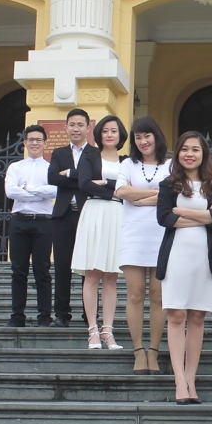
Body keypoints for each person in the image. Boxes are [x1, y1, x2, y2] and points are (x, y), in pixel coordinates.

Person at [155, 132, 212, 403]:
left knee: (197, 317)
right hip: (176, 255)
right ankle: (179, 381)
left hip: (203, 258)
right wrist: (203, 217)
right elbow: (163, 217)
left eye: (195, 149)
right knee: (177, 316)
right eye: (184, 149)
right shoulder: (169, 184)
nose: (189, 154)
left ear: (204, 153)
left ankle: (191, 379)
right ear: (178, 153)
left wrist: (181, 212)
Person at [115, 118, 171, 374]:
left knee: (159, 296)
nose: (143, 141)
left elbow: (172, 195)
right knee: (136, 294)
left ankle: (155, 351)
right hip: (134, 234)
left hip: (162, 234)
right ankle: (138, 350)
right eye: (138, 137)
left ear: (156, 136)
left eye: (147, 135)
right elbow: (121, 192)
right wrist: (155, 196)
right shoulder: (128, 163)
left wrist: (139, 196)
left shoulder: (171, 165)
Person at [72, 115, 128, 351]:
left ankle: (108, 330)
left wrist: (104, 182)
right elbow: (84, 184)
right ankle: (92, 330)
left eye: (113, 131)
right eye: (105, 131)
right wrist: (113, 189)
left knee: (111, 276)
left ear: (120, 135)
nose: (109, 135)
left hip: (118, 216)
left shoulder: (127, 160)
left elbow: (131, 188)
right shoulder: (90, 154)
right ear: (99, 134)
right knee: (93, 274)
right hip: (95, 212)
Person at [4, 125, 57, 327]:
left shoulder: (51, 168)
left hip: (43, 222)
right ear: (24, 143)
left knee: (42, 270)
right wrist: (39, 193)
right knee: (18, 270)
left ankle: (45, 317)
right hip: (19, 221)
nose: (34, 143)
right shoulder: (15, 167)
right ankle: (17, 316)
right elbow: (11, 191)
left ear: (45, 143)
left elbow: (55, 191)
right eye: (30, 139)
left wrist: (27, 188)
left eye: (38, 139)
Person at [47, 108, 93, 327]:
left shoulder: (94, 153)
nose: (76, 128)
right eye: (72, 125)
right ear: (66, 127)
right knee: (62, 266)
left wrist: (72, 174)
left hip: (88, 215)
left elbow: (95, 180)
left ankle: (89, 315)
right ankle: (62, 314)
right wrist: (81, 179)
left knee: (88, 267)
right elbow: (52, 178)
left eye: (80, 125)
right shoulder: (59, 153)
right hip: (63, 216)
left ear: (88, 128)